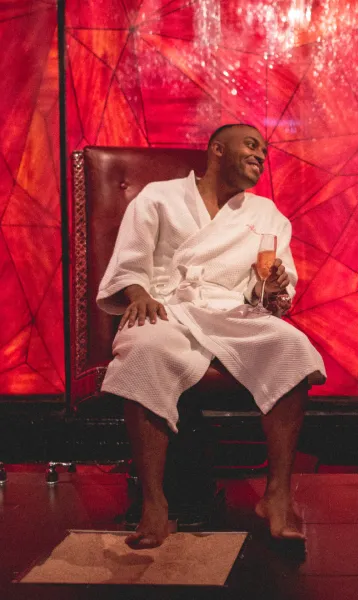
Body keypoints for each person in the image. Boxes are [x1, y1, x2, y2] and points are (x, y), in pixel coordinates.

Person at [97, 124, 326, 548]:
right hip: (167, 306)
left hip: (232, 314)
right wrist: (140, 293)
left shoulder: (267, 215)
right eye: (252, 145)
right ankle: (154, 502)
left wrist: (273, 286)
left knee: (291, 347)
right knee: (144, 348)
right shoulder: (159, 197)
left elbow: (271, 294)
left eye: (265, 150)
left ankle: (276, 495)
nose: (261, 155)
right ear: (217, 150)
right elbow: (130, 261)